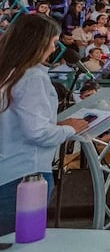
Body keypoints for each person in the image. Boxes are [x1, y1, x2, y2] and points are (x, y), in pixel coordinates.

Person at [0, 13, 92, 235]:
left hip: (8, 171)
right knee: (22, 247)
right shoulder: (32, 76)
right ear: (37, 43)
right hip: (26, 174)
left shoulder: (8, 73)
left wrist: (58, 123)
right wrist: (71, 128)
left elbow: (19, 123)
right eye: (52, 42)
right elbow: (38, 133)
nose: (54, 48)